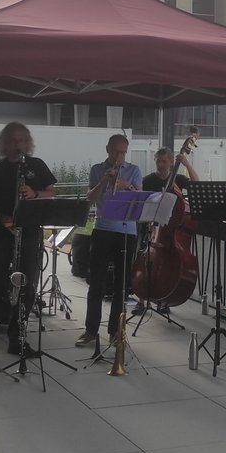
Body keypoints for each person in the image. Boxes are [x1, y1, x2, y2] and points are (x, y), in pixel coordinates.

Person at [0, 122, 56, 357]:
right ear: (4, 144)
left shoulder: (36, 165)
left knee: (27, 287)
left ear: (27, 142)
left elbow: (52, 193)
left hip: (29, 233)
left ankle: (17, 339)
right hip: (2, 232)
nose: (17, 144)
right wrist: (1, 218)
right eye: (12, 140)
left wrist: (34, 193)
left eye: (22, 140)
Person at [76, 134, 142, 346]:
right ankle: (90, 330)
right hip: (103, 229)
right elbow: (90, 197)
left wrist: (126, 185)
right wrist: (104, 181)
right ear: (108, 149)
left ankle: (115, 331)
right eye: (116, 151)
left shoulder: (134, 170)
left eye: (123, 152)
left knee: (122, 285)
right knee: (96, 282)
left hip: (127, 232)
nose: (119, 156)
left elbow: (140, 198)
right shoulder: (97, 169)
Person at [131, 146, 200, 316]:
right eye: (158, 161)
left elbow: (197, 184)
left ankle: (163, 299)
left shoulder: (179, 179)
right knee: (144, 260)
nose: (160, 165)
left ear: (171, 162)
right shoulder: (148, 180)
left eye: (164, 161)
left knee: (167, 266)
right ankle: (141, 299)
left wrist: (186, 163)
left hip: (169, 231)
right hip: (150, 227)